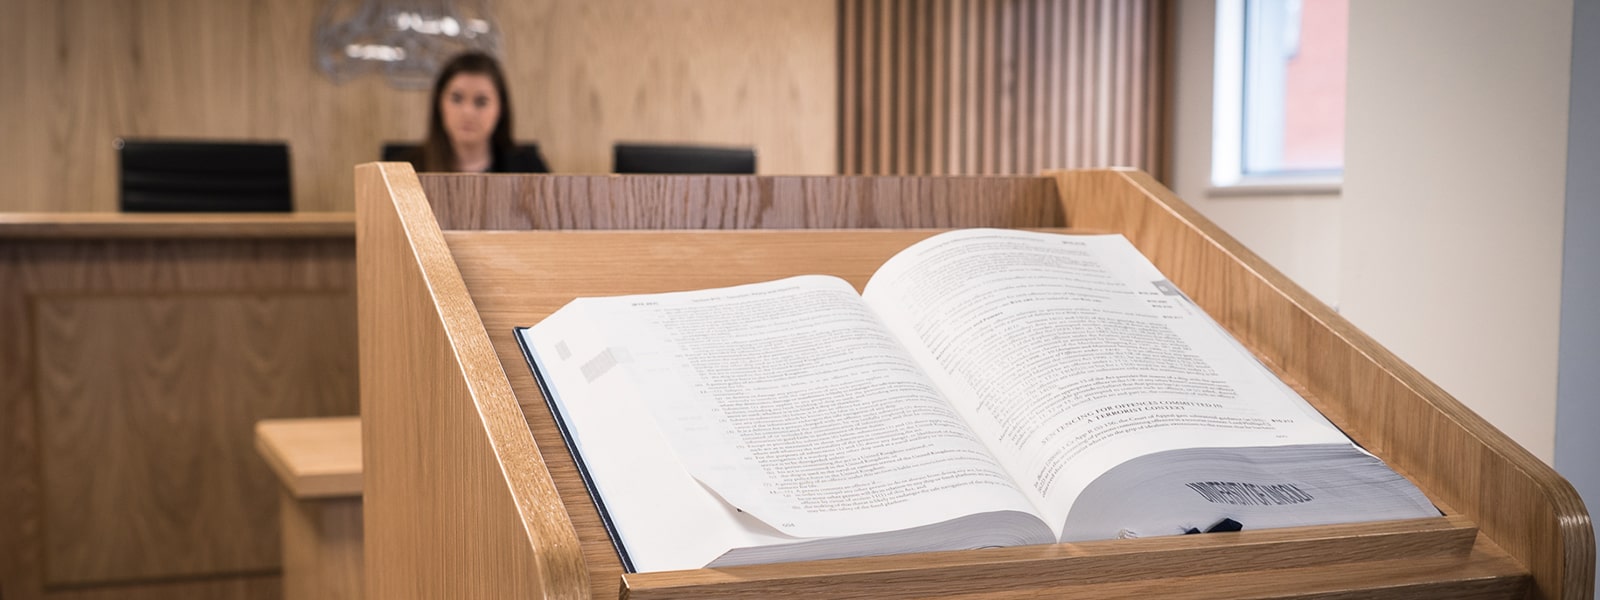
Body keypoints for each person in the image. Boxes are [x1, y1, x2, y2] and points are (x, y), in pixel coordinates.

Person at [416, 51, 549, 173]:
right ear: (439, 103)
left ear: (501, 108)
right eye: (456, 99)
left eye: (481, 102)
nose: (468, 112)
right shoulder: (410, 169)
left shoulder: (529, 167)